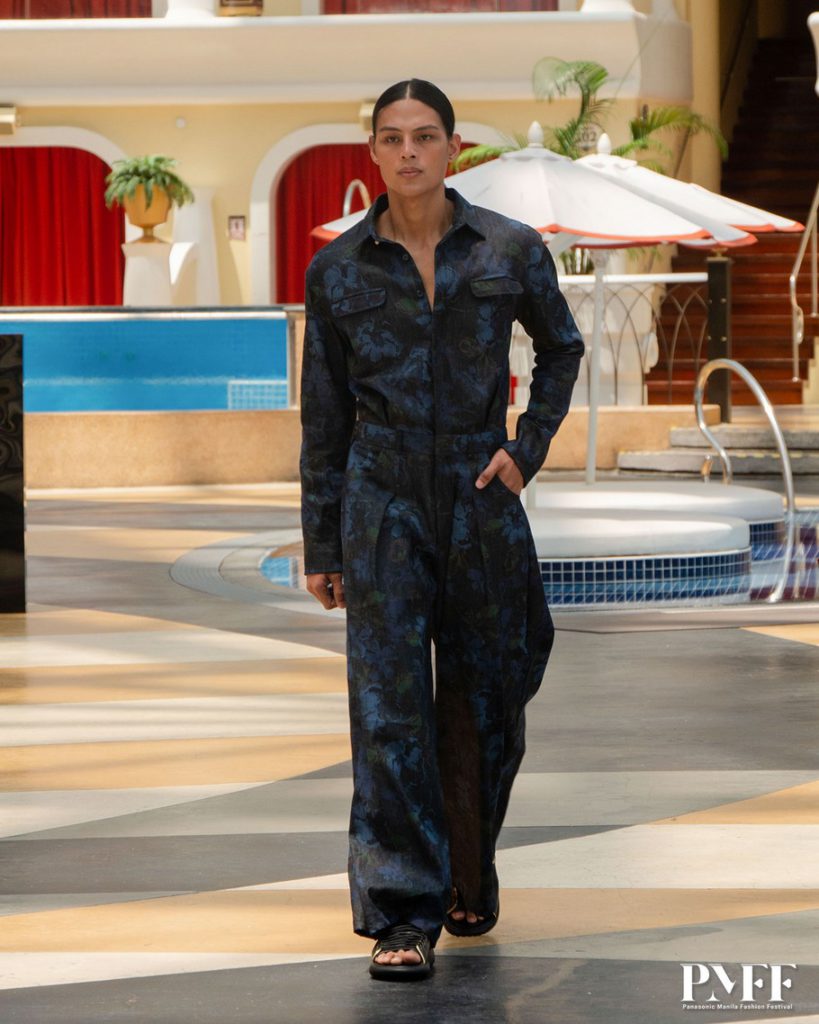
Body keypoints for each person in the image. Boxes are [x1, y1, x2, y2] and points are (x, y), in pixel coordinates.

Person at [300, 79, 584, 981]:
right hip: (380, 498)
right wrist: (321, 542)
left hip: (478, 492)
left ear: (453, 147)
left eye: (425, 136)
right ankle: (401, 911)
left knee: (489, 696)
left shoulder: (508, 247)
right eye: (392, 138)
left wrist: (525, 449)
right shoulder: (337, 269)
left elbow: (562, 347)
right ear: (372, 152)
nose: (409, 152)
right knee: (388, 711)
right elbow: (323, 415)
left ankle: (468, 865)